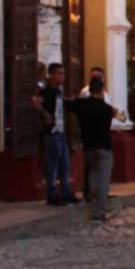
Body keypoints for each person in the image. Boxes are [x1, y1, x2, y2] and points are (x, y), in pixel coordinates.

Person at [69, 76, 116, 222]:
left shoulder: (82, 105)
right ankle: (99, 211)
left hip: (89, 147)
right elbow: (118, 116)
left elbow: (67, 104)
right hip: (104, 147)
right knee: (103, 180)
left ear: (89, 90)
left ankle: (91, 202)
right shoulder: (107, 109)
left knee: (93, 176)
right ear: (102, 90)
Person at [35, 62, 79, 206]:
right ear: (51, 75)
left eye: (63, 73)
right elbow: (35, 102)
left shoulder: (58, 92)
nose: (63, 77)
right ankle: (52, 194)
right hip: (52, 133)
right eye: (60, 74)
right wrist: (45, 114)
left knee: (65, 165)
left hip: (61, 132)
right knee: (53, 166)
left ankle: (66, 193)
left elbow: (62, 104)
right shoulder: (46, 92)